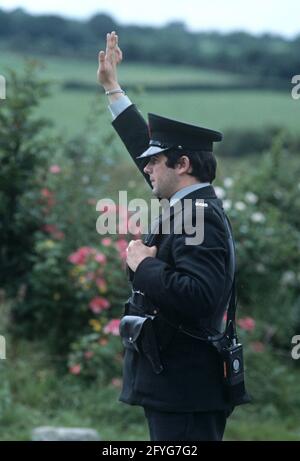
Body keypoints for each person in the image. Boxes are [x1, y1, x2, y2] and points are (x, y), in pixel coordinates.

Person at [98, 31, 236, 441]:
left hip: (187, 390)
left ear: (183, 164)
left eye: (155, 162)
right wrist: (112, 88)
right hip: (178, 386)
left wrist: (145, 265)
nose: (146, 169)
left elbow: (200, 296)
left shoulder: (199, 215)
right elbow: (147, 145)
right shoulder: (185, 202)